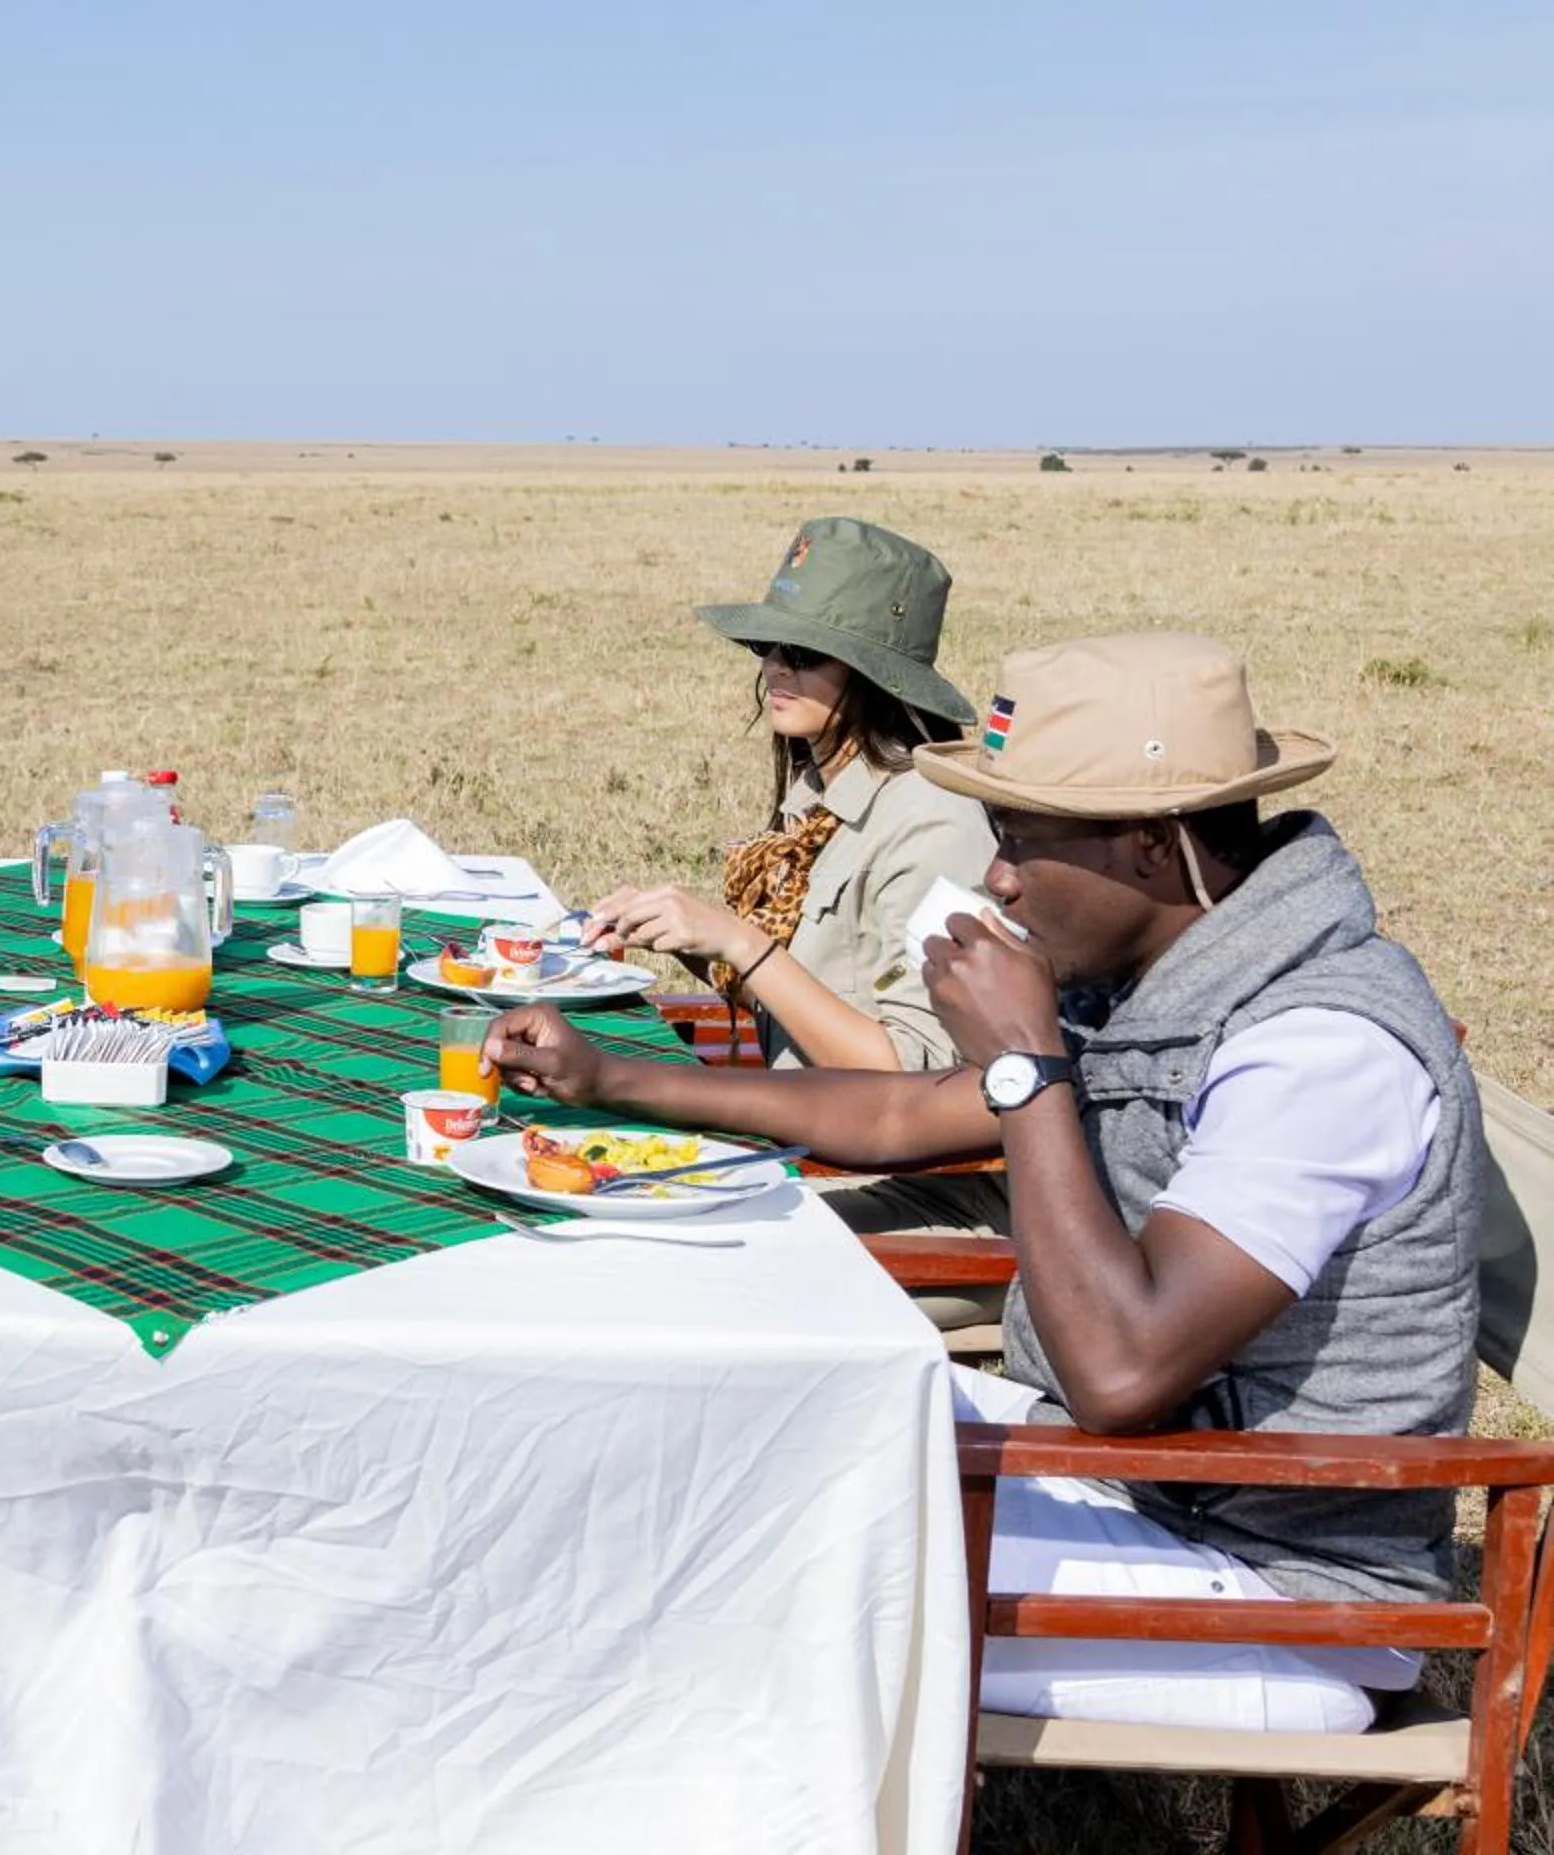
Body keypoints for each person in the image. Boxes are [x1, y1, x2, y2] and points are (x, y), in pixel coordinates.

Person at [485, 632, 1485, 1734]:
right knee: (697, 1436)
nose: (996, 877)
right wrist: (613, 1079)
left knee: (725, 1559)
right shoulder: (1172, 976)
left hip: (1271, 1583)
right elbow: (904, 1112)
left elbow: (1121, 1372)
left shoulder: (1315, 1048)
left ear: (1155, 847)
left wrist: (1027, 1064)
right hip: (1129, 1482)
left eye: (1019, 842)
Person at [586, 517, 996, 1074]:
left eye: (804, 654)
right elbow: (801, 998)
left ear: (875, 674)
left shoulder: (935, 824)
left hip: (866, 1157)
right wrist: (682, 933)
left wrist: (738, 942)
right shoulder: (820, 792)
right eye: (767, 644)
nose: (775, 665)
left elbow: (913, 1074)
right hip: (800, 1114)